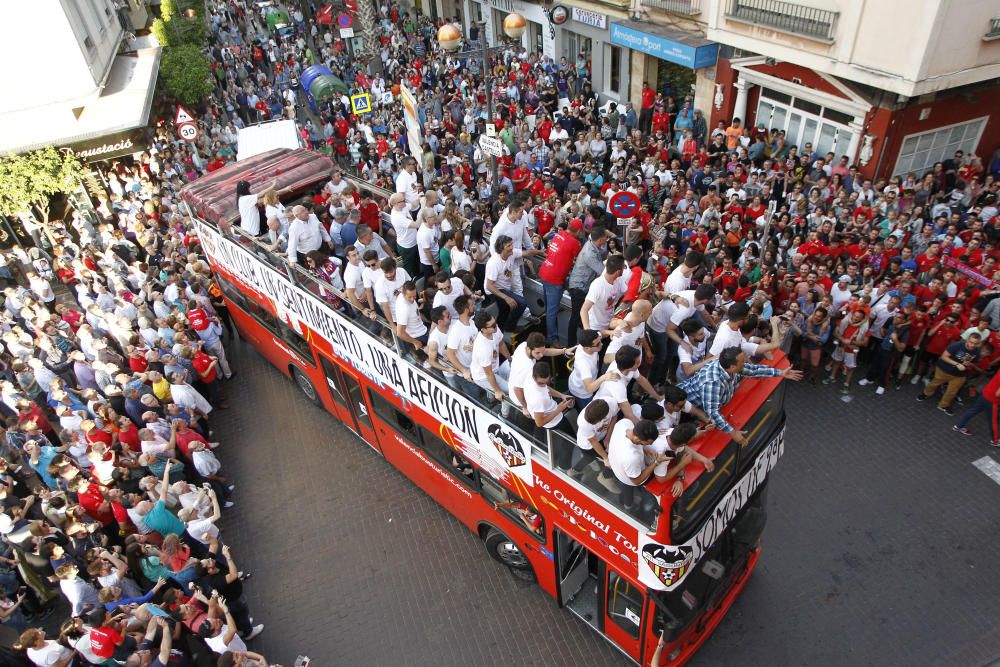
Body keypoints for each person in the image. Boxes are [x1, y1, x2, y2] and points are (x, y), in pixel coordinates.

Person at [679, 347, 802, 446]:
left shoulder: (731, 366)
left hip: (703, 404)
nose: (745, 363)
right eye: (742, 362)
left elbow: (753, 370)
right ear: (732, 367)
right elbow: (712, 412)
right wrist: (733, 433)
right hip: (683, 407)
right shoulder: (713, 381)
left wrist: (780, 373)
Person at [918, 332, 982, 415]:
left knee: (952, 391)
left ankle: (943, 405)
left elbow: (974, 364)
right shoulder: (957, 345)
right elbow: (944, 356)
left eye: (975, 343)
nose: (973, 345)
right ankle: (926, 394)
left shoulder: (977, 352)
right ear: (967, 340)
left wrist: (970, 364)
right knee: (934, 383)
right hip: (944, 370)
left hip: (960, 375)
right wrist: (957, 364)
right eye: (971, 342)